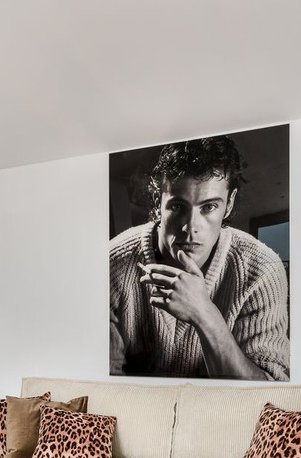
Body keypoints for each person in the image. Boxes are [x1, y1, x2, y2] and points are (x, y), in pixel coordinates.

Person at [109, 136, 289, 380]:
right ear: (158, 201)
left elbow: (269, 390)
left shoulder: (263, 270)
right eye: (177, 206)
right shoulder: (112, 262)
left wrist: (205, 315)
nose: (190, 228)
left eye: (209, 207)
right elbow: (103, 382)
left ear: (229, 203)